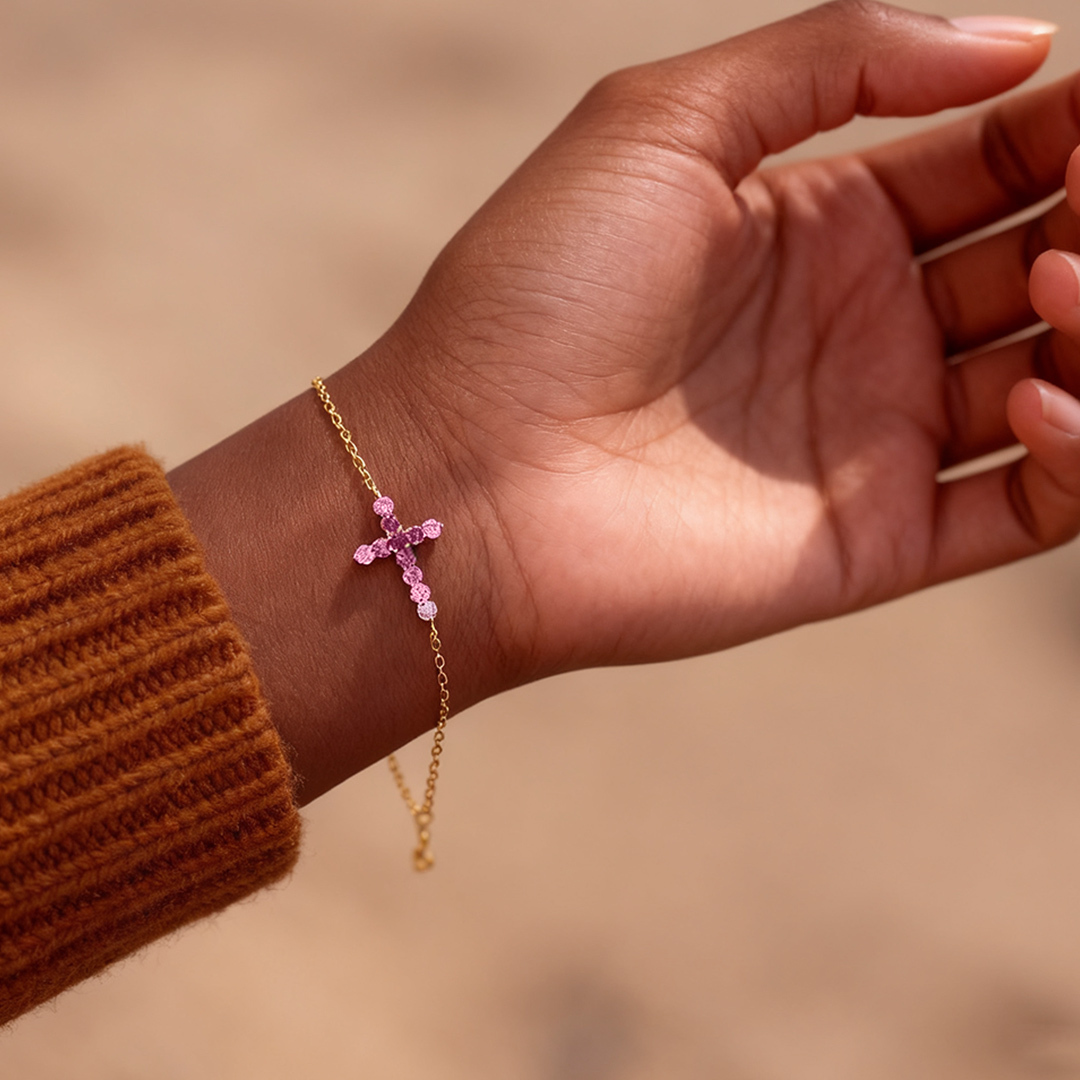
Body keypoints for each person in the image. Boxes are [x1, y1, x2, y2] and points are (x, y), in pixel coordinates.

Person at [3, 0, 1080, 1026]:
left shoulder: (410, 537)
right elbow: (413, 524)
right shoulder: (422, 530)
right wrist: (462, 466)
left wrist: (452, 474)